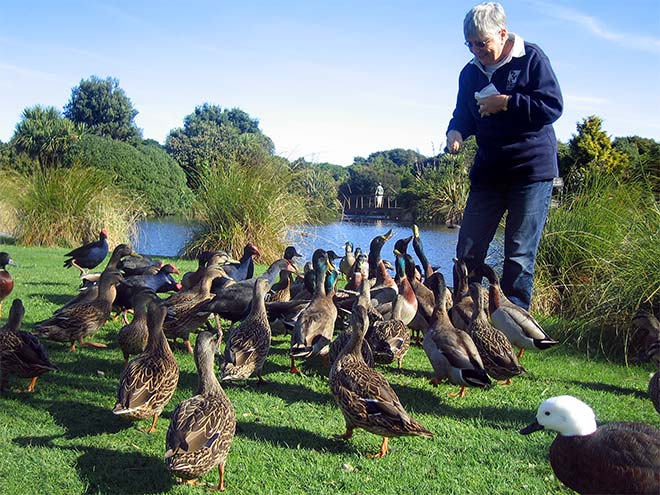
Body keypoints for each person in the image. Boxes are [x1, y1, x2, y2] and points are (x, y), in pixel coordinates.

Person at [445, 2, 562, 310]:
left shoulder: (531, 58)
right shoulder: (469, 73)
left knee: (519, 253)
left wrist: (507, 103)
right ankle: (465, 316)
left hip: (530, 171)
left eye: (481, 43)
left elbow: (552, 106)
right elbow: (462, 114)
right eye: (469, 44)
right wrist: (455, 132)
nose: (475, 50)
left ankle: (514, 325)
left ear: (502, 33)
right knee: (467, 249)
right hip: (489, 173)